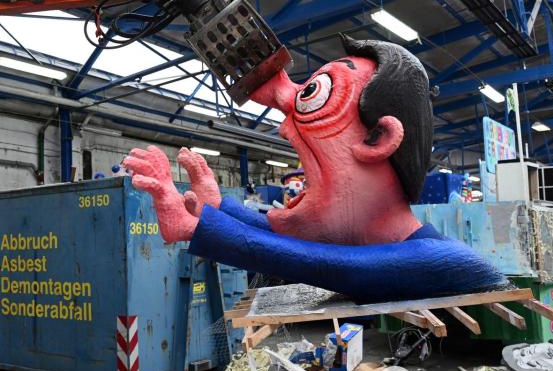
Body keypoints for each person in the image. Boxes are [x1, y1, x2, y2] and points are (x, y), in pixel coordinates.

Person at [125, 36, 507, 302]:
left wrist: (199, 228)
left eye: (314, 94)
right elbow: (302, 242)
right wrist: (219, 207)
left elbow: (327, 264)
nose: (283, 124)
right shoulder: (372, 243)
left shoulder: (444, 260)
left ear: (379, 138)